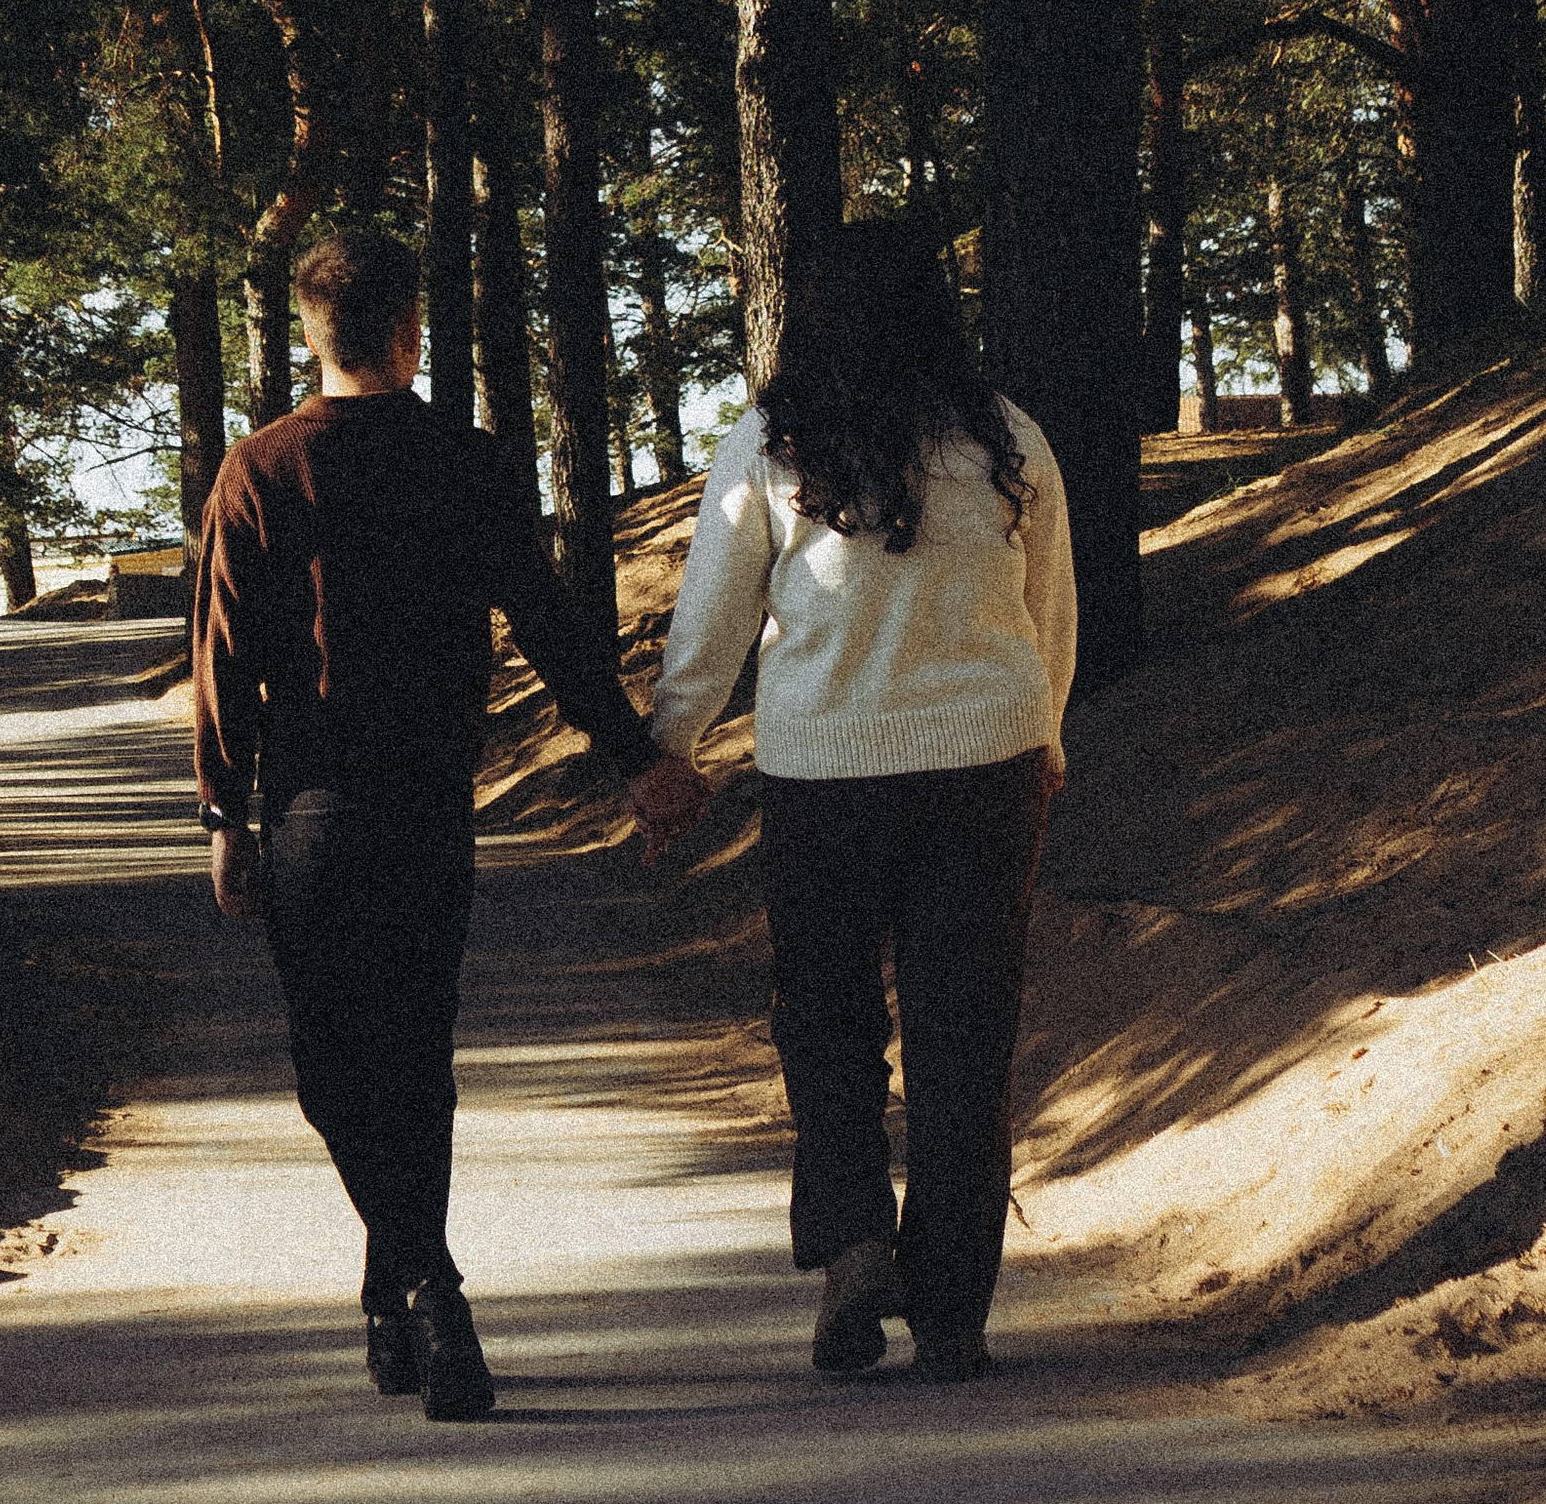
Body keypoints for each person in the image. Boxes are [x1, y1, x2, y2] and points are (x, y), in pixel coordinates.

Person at [193, 225, 705, 1421]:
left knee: (341, 1067)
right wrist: (635, 759)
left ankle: (430, 1289)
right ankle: (403, 1289)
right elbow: (550, 625)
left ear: (312, 335)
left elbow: (221, 656)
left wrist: (221, 814)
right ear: (411, 336)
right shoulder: (454, 462)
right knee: (411, 1058)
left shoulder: (261, 471)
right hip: (420, 808)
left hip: (316, 808)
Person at [645, 216, 1076, 1387]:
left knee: (827, 1024)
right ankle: (953, 1317)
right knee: (962, 1040)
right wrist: (1042, 733)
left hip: (826, 777)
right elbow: (1050, 613)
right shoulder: (1008, 441)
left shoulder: (774, 445)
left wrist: (669, 745)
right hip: (984, 775)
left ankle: (850, 1246)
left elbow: (713, 617)